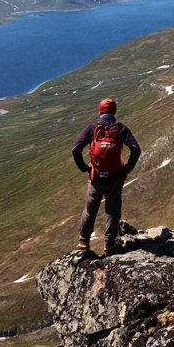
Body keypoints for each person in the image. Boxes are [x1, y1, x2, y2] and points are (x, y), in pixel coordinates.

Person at [72, 98, 141, 256]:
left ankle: (83, 243)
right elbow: (136, 149)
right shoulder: (121, 129)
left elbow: (75, 149)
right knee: (112, 212)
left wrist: (85, 168)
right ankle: (109, 245)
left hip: (95, 179)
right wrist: (126, 170)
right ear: (114, 111)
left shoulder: (92, 128)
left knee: (89, 211)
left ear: (101, 111)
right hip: (115, 179)